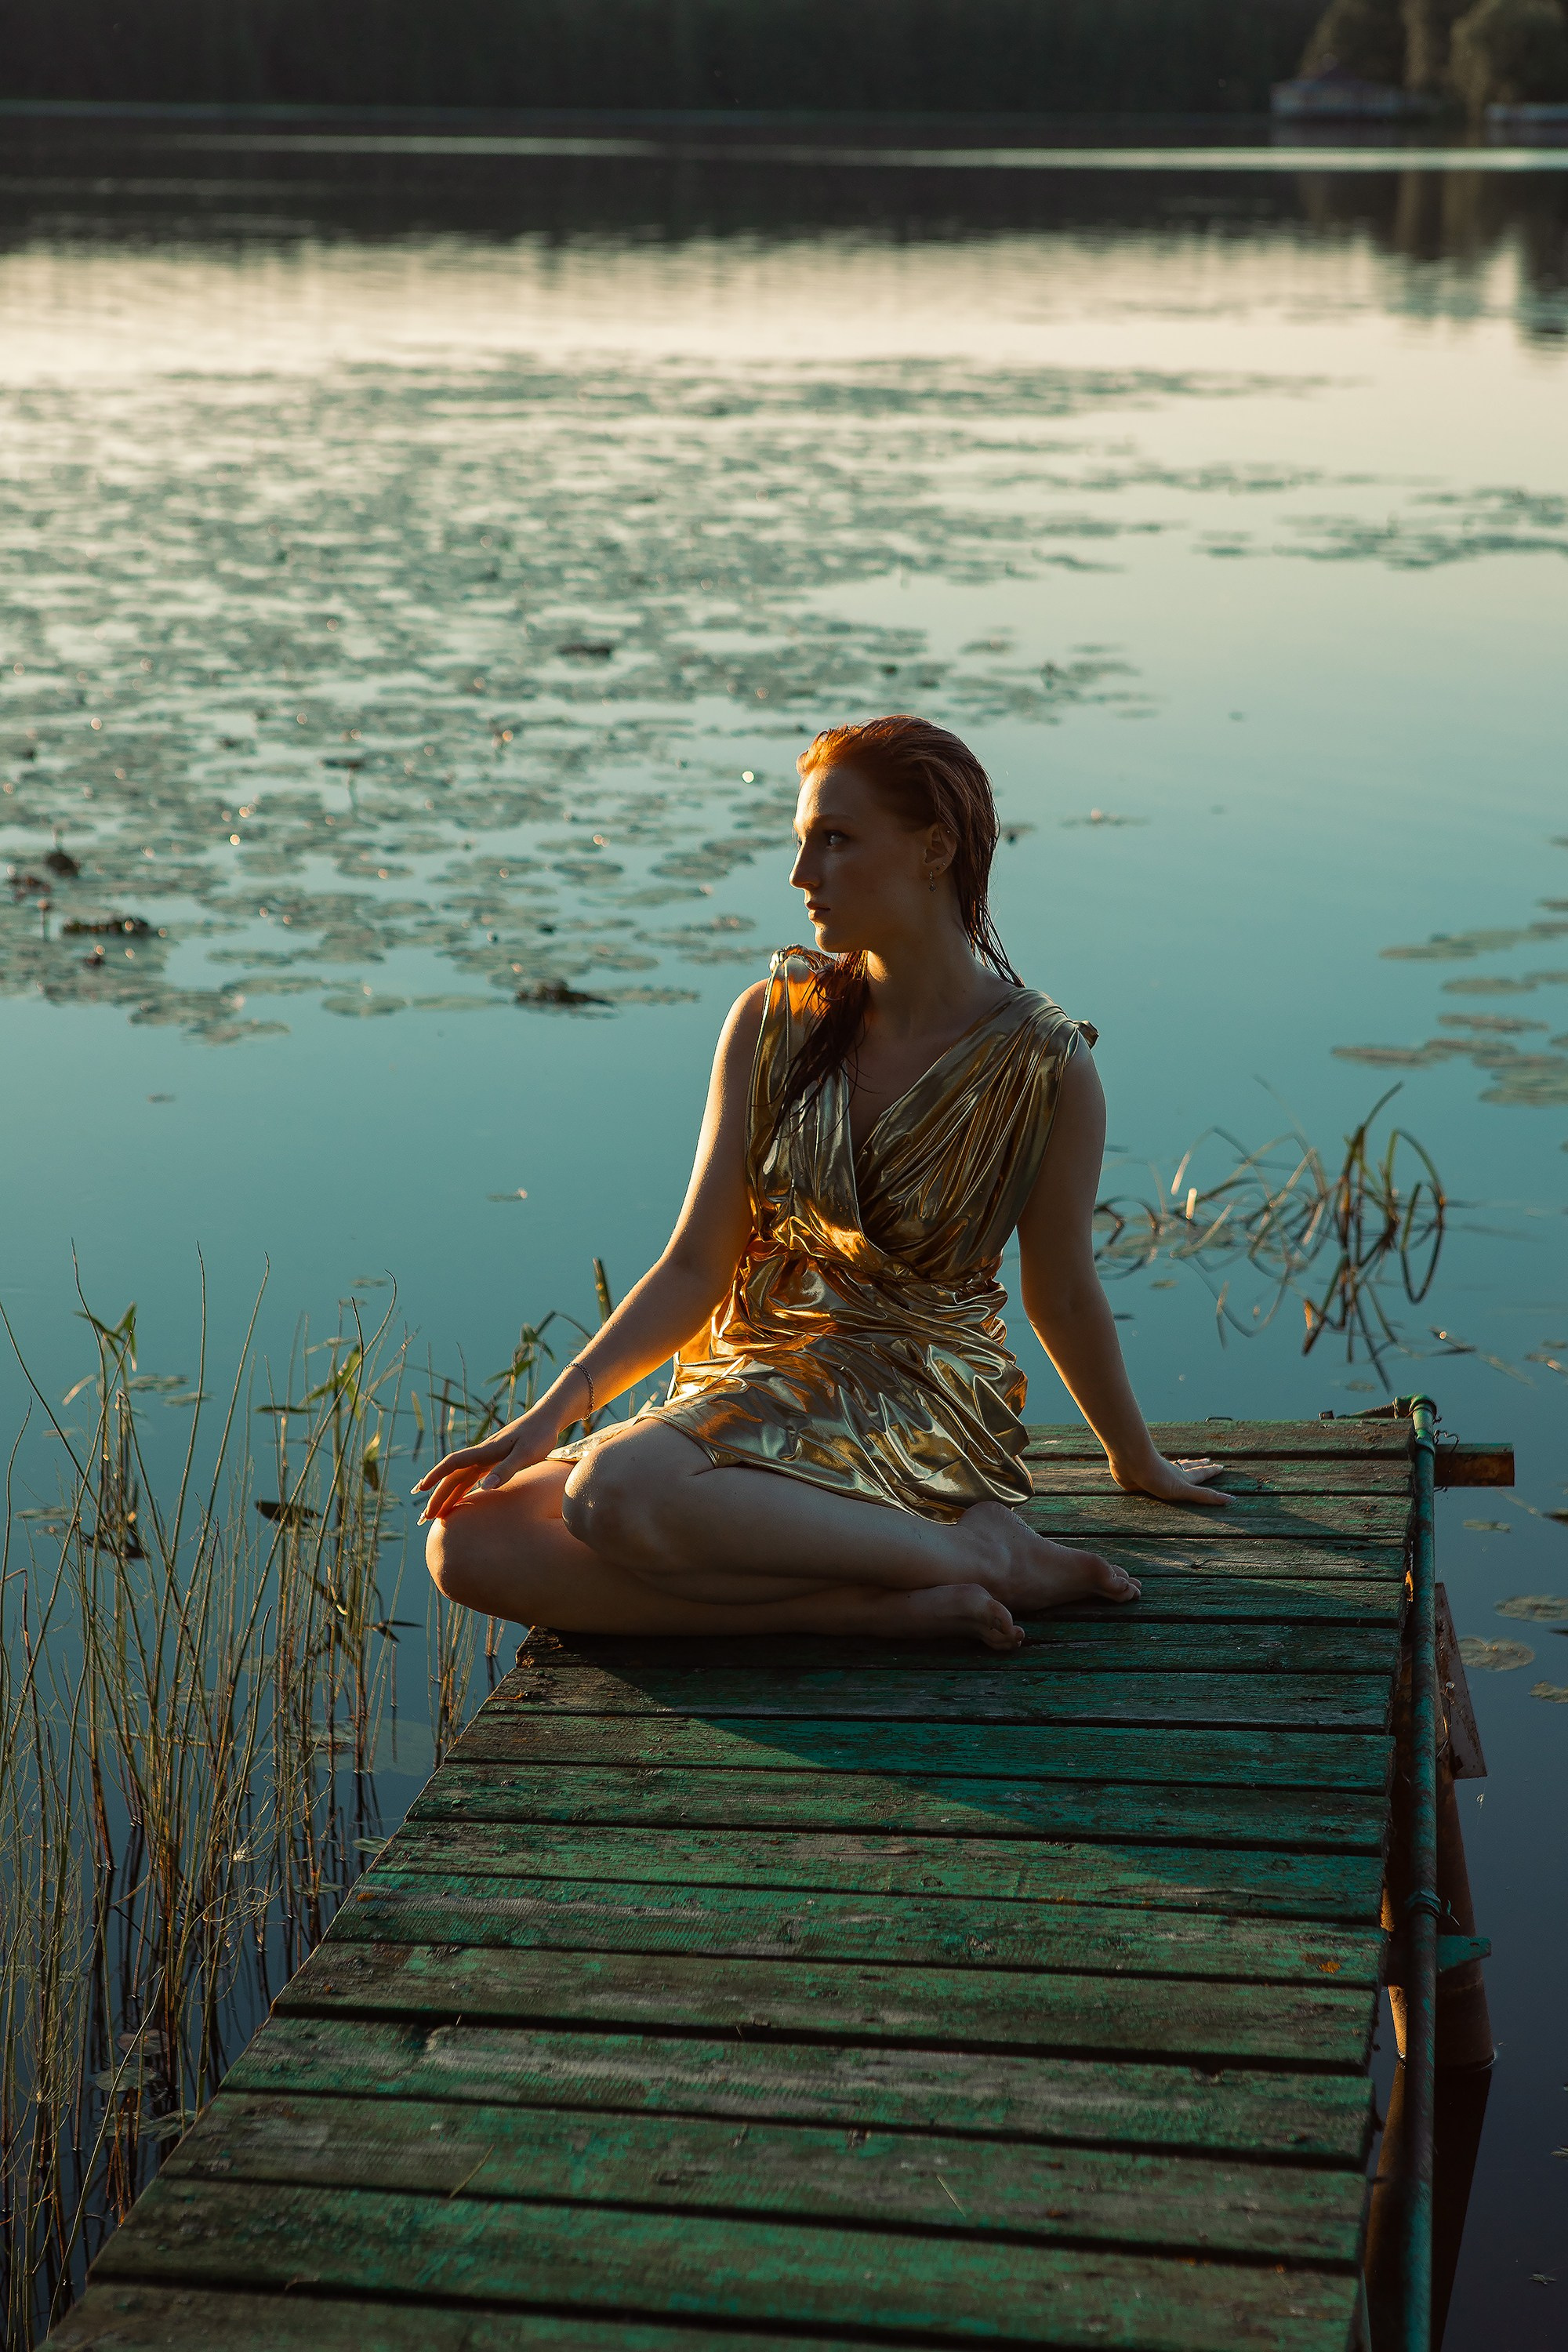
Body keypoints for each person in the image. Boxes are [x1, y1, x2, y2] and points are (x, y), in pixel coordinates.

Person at [417, 715, 1226, 1650]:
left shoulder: (1043, 1064)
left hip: (911, 1391)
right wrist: (547, 1416)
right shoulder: (772, 1020)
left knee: (615, 1495)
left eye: (835, 840)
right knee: (465, 1544)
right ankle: (877, 1609)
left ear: (934, 849)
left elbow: (1063, 1292)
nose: (802, 874)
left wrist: (1136, 1460)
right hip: (758, 1372)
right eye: (803, 840)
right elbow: (694, 1267)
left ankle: (973, 1550)